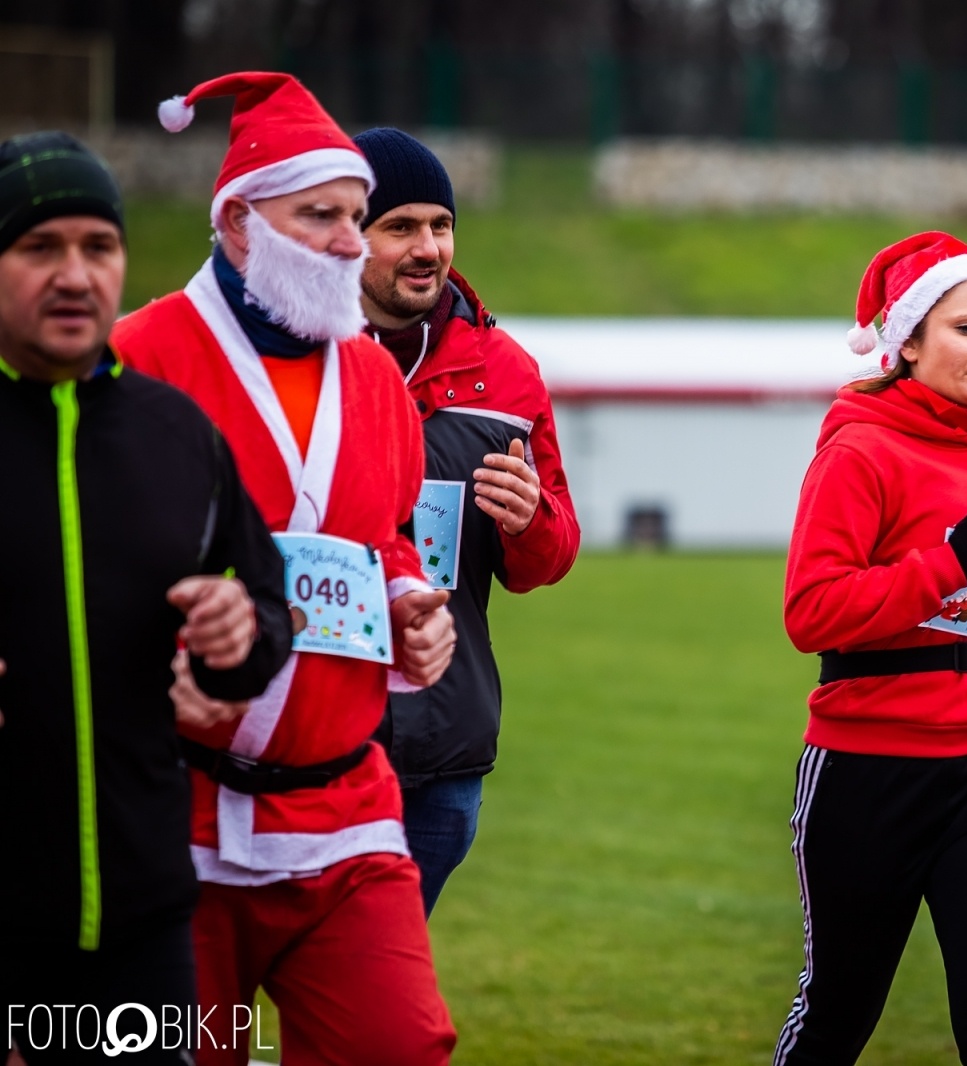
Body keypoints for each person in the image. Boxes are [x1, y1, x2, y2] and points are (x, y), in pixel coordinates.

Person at [110, 74, 457, 1065]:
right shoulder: (141, 357)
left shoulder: (375, 376)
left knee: (400, 1046)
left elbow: (383, 536)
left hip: (344, 810)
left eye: (356, 215)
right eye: (323, 216)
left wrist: (409, 603)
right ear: (238, 219)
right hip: (179, 821)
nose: (354, 241)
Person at [0, 132, 291, 1064]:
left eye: (99, 246)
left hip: (146, 918)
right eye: (40, 248)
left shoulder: (177, 435)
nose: (76, 275)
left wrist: (236, 633)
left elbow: (265, 617)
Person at [773, 232, 967, 1065]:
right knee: (837, 1016)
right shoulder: (859, 448)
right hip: (869, 766)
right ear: (907, 341)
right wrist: (947, 564)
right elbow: (813, 612)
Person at [352, 127, 580, 916]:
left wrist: (529, 522)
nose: (428, 248)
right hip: (314, 743)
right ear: (349, 235)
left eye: (440, 225)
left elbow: (550, 555)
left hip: (443, 750)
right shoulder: (295, 355)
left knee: (378, 999)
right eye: (400, 226)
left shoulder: (506, 370)